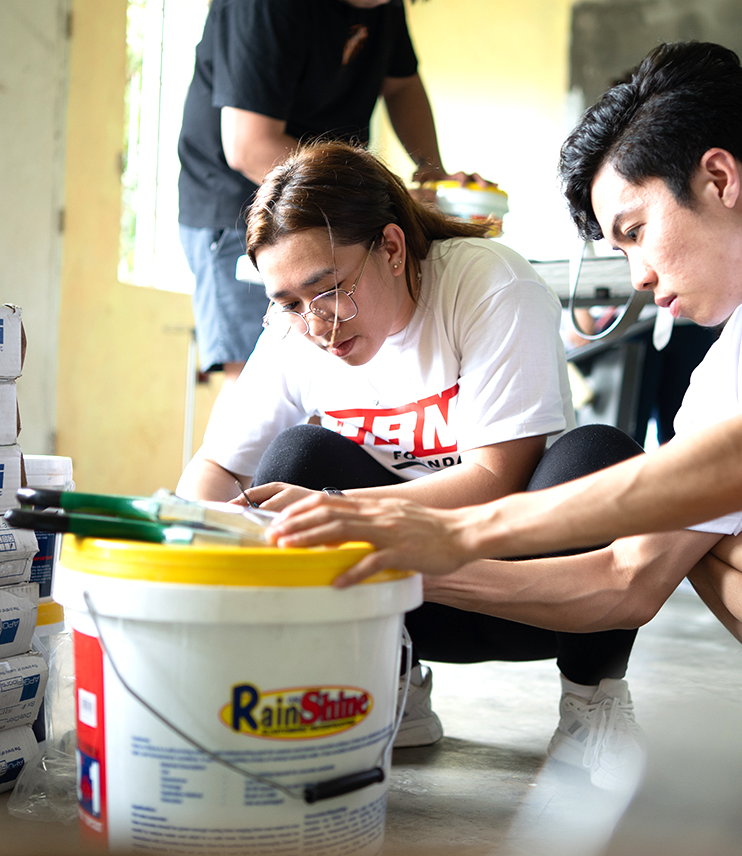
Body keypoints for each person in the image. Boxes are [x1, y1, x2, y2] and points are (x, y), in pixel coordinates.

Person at [265, 42, 742, 855]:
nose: (634, 275)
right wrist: (393, 563)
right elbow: (624, 581)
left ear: (719, 179)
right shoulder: (731, 366)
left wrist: (459, 529)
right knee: (714, 538)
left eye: (633, 232)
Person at [176, 141, 645, 789]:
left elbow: (494, 480)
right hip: (398, 601)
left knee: (600, 461)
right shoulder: (296, 333)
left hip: (522, 589)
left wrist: (338, 515)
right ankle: (386, 684)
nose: (316, 325)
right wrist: (186, 550)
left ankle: (592, 705)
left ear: (392, 249)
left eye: (329, 290)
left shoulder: (488, 283)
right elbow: (215, 468)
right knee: (296, 458)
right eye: (287, 302)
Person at [177, 0, 475, 381]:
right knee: (261, 383)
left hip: (333, 208)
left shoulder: (383, 6)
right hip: (242, 207)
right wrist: (383, 195)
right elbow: (249, 147)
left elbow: (401, 86)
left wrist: (434, 176)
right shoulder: (261, 8)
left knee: (337, 387)